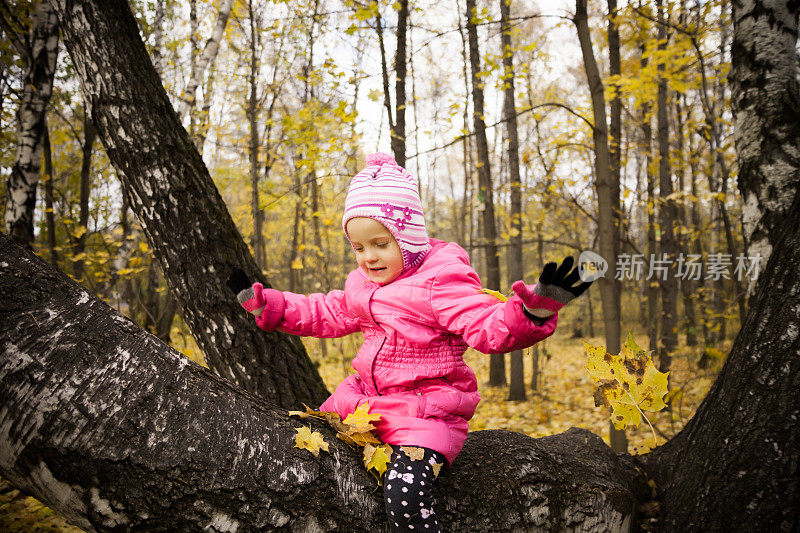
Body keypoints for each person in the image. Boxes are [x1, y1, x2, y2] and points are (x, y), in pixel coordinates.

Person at [227, 152, 592, 532]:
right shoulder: (364, 284)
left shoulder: (441, 282)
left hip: (425, 411)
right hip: (363, 404)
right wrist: (269, 305)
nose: (368, 257)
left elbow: (486, 324)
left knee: (404, 497)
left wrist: (530, 314)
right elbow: (325, 311)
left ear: (408, 237)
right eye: (359, 247)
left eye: (380, 244)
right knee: (304, 450)